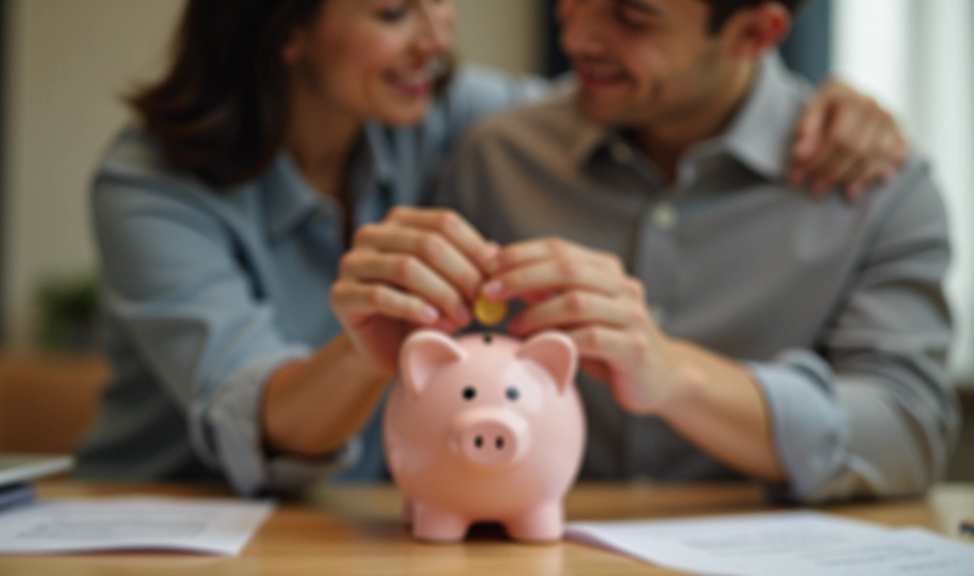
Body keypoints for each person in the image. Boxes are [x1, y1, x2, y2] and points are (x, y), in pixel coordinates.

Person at [77, 0, 912, 498]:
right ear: (283, 28)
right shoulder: (149, 184)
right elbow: (244, 414)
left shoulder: (449, 116)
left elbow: (643, 96)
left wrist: (819, 104)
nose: (436, 42)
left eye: (439, 3)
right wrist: (365, 354)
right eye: (393, 12)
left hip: (369, 525)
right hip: (173, 515)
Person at [337, 0, 960, 502]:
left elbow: (908, 432)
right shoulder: (497, 155)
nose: (577, 36)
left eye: (631, 16)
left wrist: (676, 376)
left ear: (755, 32)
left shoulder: (879, 192)